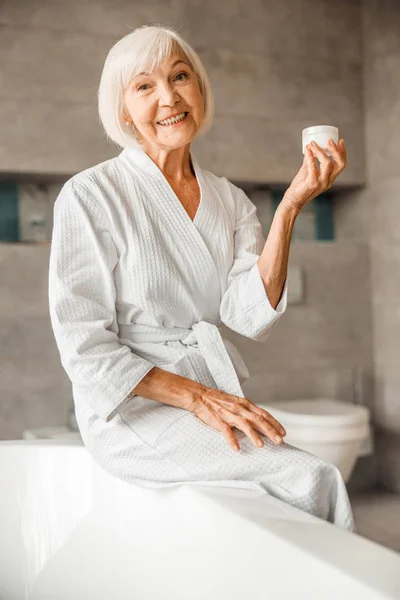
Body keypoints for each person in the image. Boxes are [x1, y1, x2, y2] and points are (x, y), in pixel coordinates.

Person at [48, 24, 353, 531]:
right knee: (309, 478)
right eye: (145, 86)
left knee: (294, 486)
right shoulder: (91, 194)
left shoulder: (229, 199)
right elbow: (84, 346)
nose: (169, 97)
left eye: (180, 76)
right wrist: (198, 398)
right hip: (134, 408)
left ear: (200, 90)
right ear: (124, 110)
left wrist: (290, 206)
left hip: (210, 393)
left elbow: (248, 315)